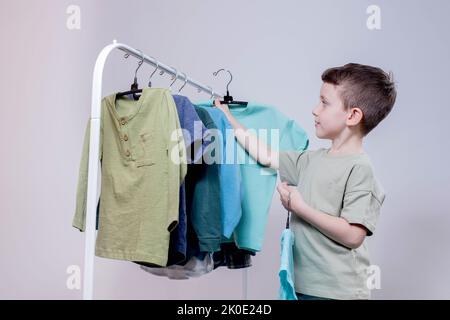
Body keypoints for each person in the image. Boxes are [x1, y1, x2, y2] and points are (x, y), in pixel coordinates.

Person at [213, 63, 397, 300]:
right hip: (300, 286)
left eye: (324, 102)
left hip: (338, 293)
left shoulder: (360, 168)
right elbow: (266, 155)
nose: (315, 110)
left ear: (352, 116)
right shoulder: (311, 160)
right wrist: (228, 119)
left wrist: (300, 208)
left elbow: (353, 236)